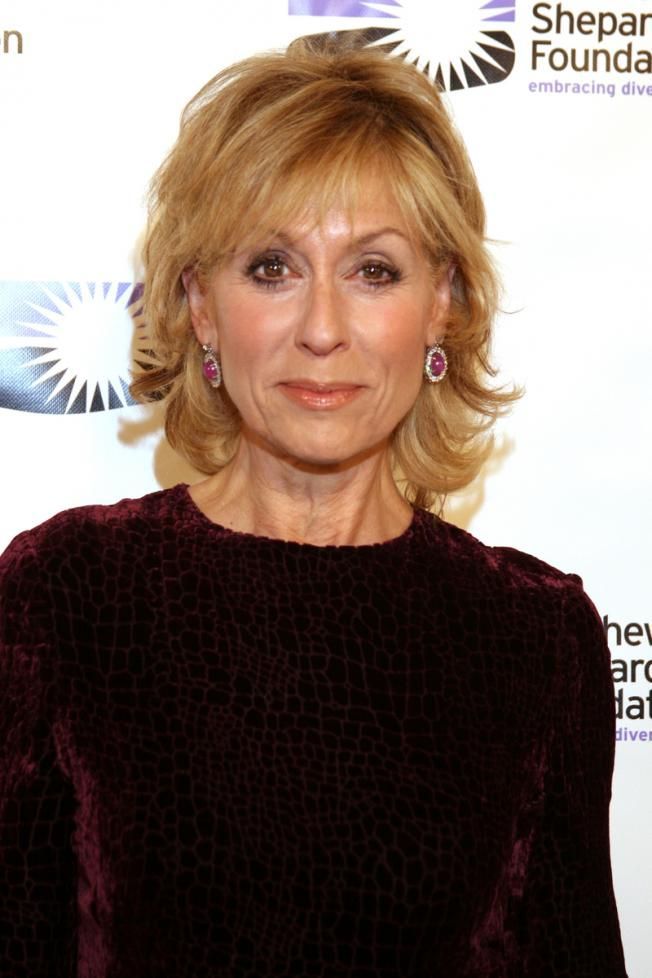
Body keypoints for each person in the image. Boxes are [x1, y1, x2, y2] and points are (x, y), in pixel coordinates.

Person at [0, 37, 627, 978]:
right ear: (200, 306)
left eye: (374, 271)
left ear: (443, 303)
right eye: (272, 268)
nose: (323, 329)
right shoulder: (65, 595)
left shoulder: (538, 639)